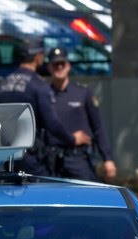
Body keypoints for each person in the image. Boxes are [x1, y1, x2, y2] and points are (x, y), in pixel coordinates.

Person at [0, 36, 89, 175]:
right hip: (32, 158)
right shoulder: (38, 85)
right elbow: (52, 123)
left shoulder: (4, 84)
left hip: (8, 157)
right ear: (38, 57)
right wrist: (72, 139)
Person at [43, 46, 116, 181]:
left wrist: (108, 158)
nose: (59, 67)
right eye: (55, 64)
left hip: (79, 158)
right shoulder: (44, 95)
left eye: (62, 63)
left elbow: (98, 127)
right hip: (52, 161)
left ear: (68, 66)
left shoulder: (82, 93)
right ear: (49, 68)